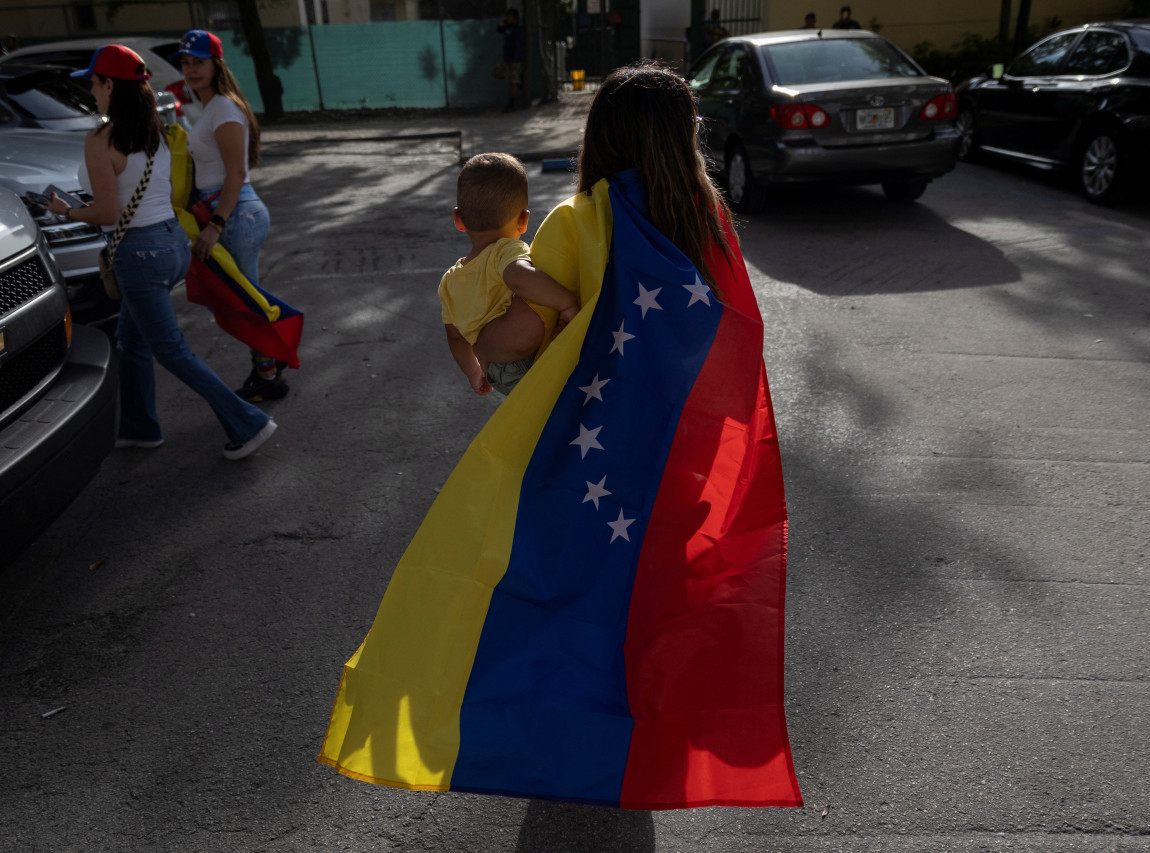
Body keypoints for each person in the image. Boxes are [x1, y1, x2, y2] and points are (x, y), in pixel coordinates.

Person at [318, 61, 799, 809]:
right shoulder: (709, 226)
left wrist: (477, 326)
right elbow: (732, 342)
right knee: (651, 600)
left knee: (569, 597)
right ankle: (646, 747)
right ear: (684, 140)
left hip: (589, 455)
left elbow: (518, 342)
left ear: (600, 137)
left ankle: (573, 750)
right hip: (676, 455)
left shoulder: (580, 221)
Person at [45, 44, 276, 460]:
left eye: (95, 84)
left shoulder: (101, 138)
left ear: (110, 85)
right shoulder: (159, 132)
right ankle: (139, 427)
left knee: (170, 350)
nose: (92, 93)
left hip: (139, 254)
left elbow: (107, 211)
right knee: (131, 341)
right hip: (171, 244)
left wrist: (66, 210)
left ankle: (248, 422)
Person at [174, 29, 291, 403]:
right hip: (229, 211)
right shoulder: (212, 108)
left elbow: (235, 174)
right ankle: (275, 353)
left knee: (242, 303)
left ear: (216, 65)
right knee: (245, 297)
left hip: (234, 214)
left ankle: (269, 373)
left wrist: (215, 224)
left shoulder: (223, 108)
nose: (192, 70)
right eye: (186, 63)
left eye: (199, 63)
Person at [439, 152, 578, 396]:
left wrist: (473, 372)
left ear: (458, 219)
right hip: (523, 355)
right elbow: (518, 277)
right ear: (523, 220)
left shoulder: (449, 280)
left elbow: (455, 338)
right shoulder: (505, 250)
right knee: (540, 282)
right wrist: (566, 302)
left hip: (497, 374)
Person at [496, 8, 524, 112]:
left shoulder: (518, 29)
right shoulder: (509, 28)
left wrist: (516, 60)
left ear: (515, 18)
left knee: (513, 81)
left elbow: (519, 46)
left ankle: (511, 103)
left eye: (510, 16)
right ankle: (518, 84)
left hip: (513, 59)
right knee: (497, 73)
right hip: (506, 58)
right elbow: (499, 30)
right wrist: (501, 24)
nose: (508, 18)